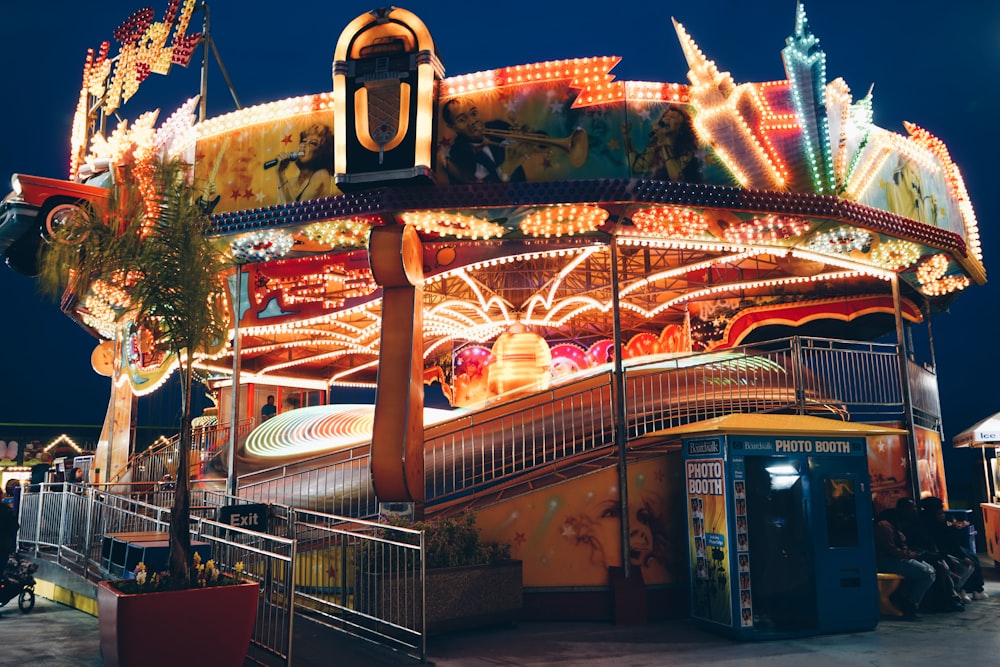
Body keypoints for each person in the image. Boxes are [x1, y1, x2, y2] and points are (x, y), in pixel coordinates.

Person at [893, 497, 967, 612]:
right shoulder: (902, 524)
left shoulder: (918, 522)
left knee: (948, 563)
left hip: (922, 553)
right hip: (912, 554)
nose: (914, 510)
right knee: (937, 568)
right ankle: (935, 600)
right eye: (911, 508)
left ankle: (950, 596)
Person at [439, 98, 532, 184]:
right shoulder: (455, 155)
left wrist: (526, 136)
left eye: (474, 114)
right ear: (452, 127)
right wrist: (507, 167)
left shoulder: (498, 126)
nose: (472, 121)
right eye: (462, 120)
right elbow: (476, 189)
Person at [919, 497, 987, 601]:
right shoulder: (930, 527)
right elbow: (948, 544)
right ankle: (964, 589)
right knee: (969, 561)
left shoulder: (936, 523)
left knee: (973, 558)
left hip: (948, 550)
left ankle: (973, 590)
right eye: (940, 513)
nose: (943, 515)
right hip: (943, 552)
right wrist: (963, 557)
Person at [874, 506, 936, 618]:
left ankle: (910, 600)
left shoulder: (893, 526)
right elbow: (891, 549)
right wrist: (911, 555)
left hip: (898, 557)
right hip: (888, 560)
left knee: (930, 570)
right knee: (927, 573)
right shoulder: (884, 526)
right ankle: (910, 602)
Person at [622, 105, 702, 182]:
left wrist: (662, 140)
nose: (666, 119)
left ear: (682, 128)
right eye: (665, 116)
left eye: (673, 117)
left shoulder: (686, 151)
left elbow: (677, 178)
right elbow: (637, 168)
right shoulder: (654, 147)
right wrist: (626, 136)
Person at [275, 123, 335, 202]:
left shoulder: (321, 175)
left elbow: (296, 211)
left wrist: (280, 174)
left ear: (322, 151)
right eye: (303, 141)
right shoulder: (292, 182)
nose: (304, 145)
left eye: (313, 143)